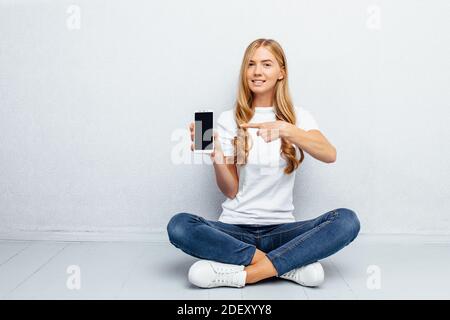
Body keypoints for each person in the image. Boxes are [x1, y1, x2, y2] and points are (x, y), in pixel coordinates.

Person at [167, 38, 360, 289]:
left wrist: (286, 130)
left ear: (282, 72)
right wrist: (215, 155)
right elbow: (231, 190)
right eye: (251, 64)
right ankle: (286, 265)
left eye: (266, 64)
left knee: (347, 220)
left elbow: (329, 154)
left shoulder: (298, 117)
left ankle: (246, 274)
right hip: (234, 229)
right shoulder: (229, 119)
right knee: (179, 225)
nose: (257, 72)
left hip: (283, 231)